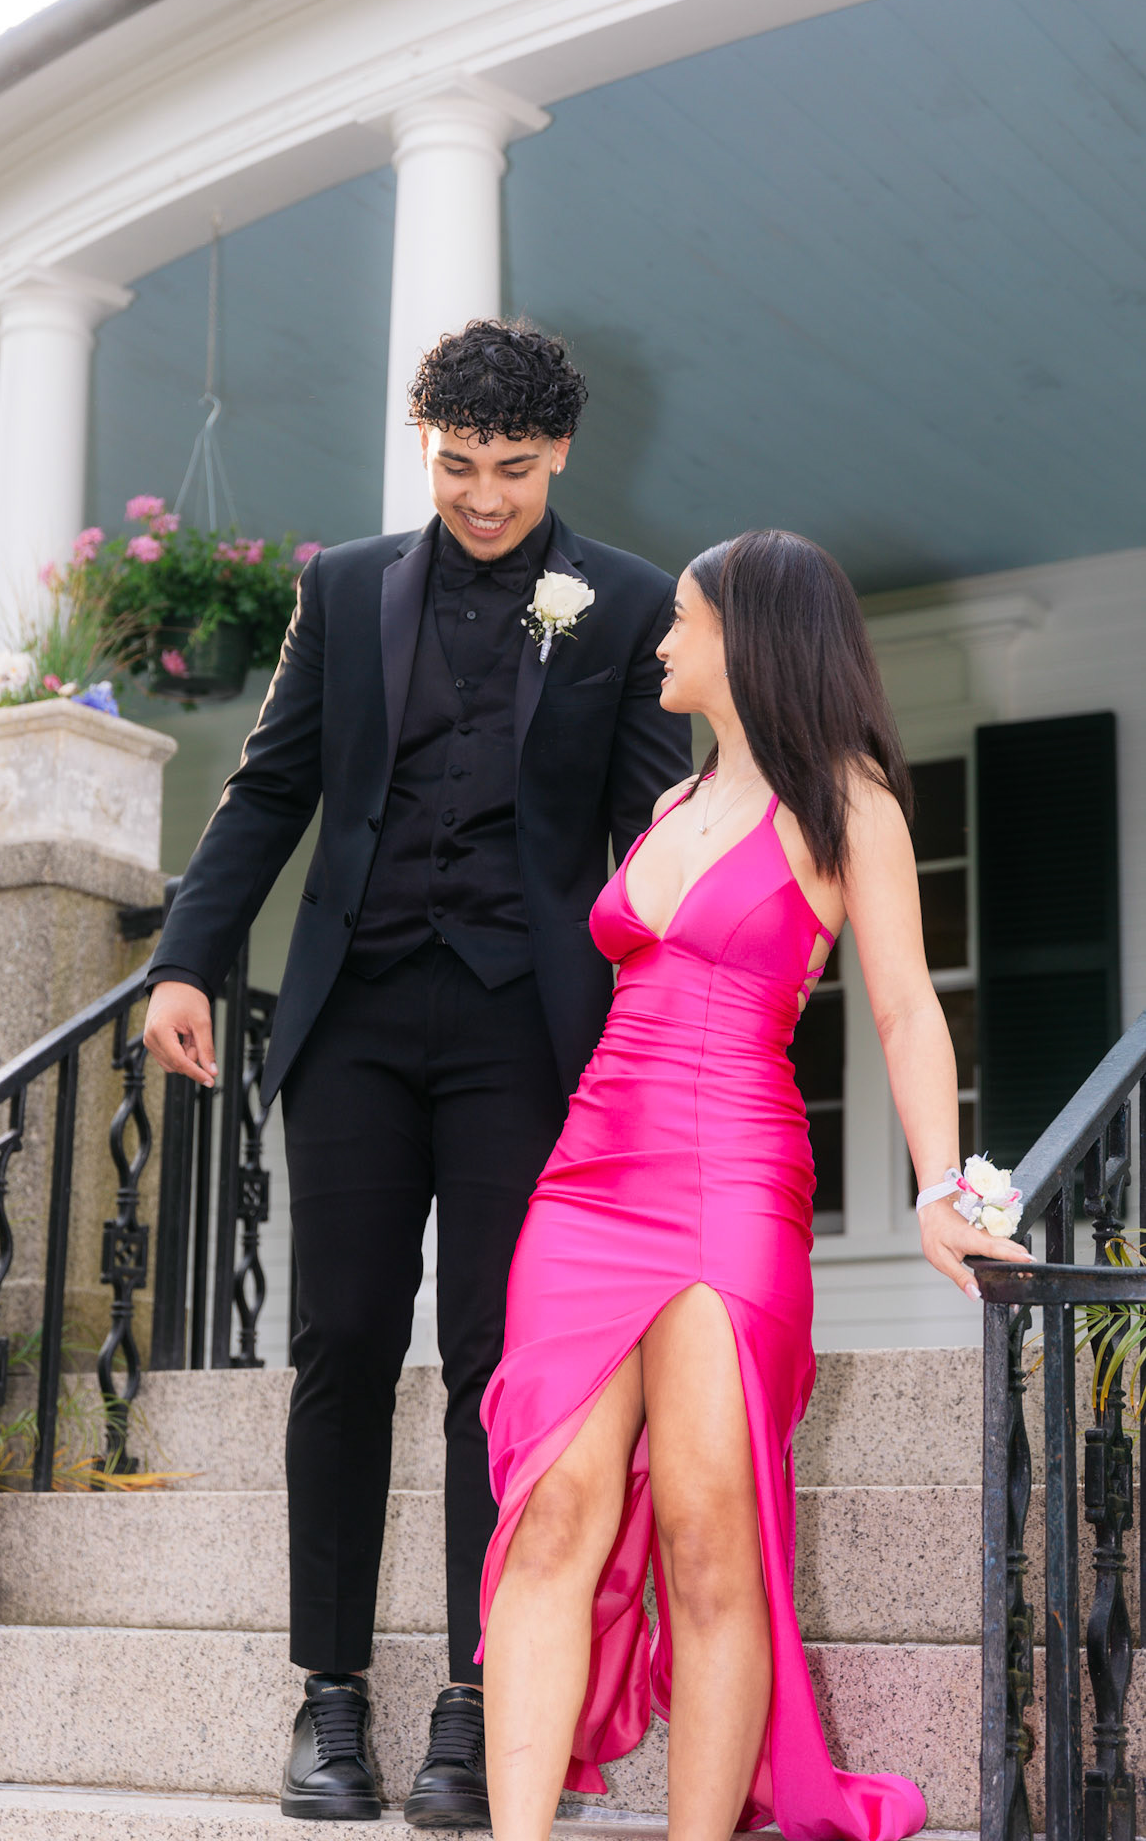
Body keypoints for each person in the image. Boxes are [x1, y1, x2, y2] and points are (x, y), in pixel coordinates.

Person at [143, 319, 689, 1826]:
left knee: (495, 1366)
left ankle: (473, 1703)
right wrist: (185, 961)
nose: (484, 498)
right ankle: (329, 1698)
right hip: (358, 1022)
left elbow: (650, 834)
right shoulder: (344, 586)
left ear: (558, 453)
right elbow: (271, 788)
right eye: (457, 466)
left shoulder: (631, 602)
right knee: (340, 1343)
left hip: (525, 1030)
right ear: (424, 446)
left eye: (512, 468)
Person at [476, 528, 1034, 1841]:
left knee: (709, 1538)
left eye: (682, 618)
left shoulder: (849, 802)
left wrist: (939, 1186)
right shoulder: (671, 805)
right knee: (551, 1511)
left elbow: (904, 1008)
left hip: (731, 1178)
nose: (661, 640)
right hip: (588, 1178)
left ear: (749, 637)